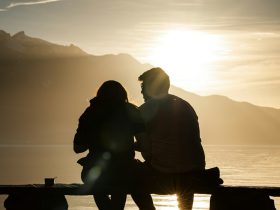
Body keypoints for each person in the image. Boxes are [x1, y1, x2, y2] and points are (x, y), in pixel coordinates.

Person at [135, 67, 206, 210]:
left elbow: (147, 152)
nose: (141, 91)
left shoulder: (143, 111)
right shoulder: (186, 106)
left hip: (165, 174)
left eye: (143, 87)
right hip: (194, 171)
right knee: (182, 163)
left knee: (131, 174)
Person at [73, 80, 149, 210]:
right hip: (125, 170)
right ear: (123, 96)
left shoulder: (90, 113)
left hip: (96, 170)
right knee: (124, 178)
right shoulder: (131, 111)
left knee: (96, 181)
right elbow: (144, 144)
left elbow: (78, 148)